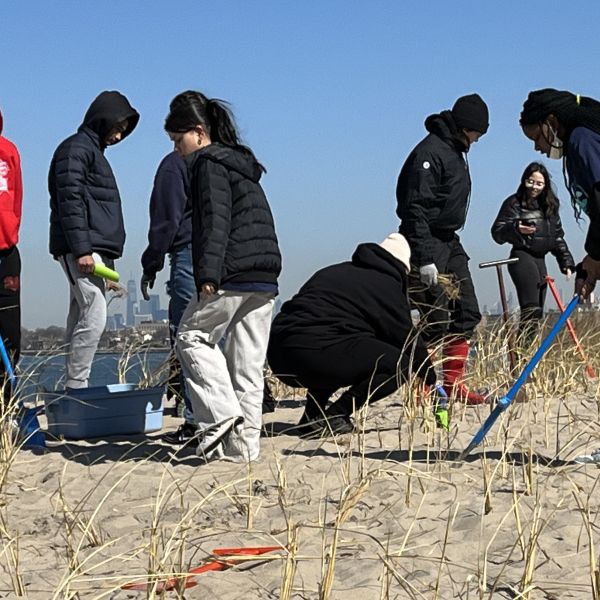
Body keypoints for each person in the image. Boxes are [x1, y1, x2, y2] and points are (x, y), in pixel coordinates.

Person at [165, 90, 281, 462]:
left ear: (198, 133)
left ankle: (222, 418)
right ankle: (244, 450)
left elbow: (215, 219)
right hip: (264, 275)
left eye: (177, 139)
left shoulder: (207, 163)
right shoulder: (242, 164)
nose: (176, 149)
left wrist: (208, 275)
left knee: (191, 337)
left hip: (232, 271)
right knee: (247, 369)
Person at [267, 233, 438, 437]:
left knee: (340, 349)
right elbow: (407, 338)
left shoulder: (336, 271)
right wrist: (428, 374)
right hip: (313, 355)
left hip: (279, 355)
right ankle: (337, 414)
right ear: (403, 268)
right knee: (396, 365)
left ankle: (313, 417)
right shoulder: (386, 285)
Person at [396, 93, 489, 404]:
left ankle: (453, 386)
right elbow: (414, 209)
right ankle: (423, 386)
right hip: (426, 241)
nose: (478, 139)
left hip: (450, 241)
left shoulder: (456, 150)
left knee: (468, 311)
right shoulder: (430, 153)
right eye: (478, 132)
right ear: (465, 127)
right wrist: (423, 258)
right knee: (436, 318)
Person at [48, 91, 139, 389]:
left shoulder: (91, 152)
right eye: (117, 127)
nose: (118, 135)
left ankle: (73, 387)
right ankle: (77, 385)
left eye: (123, 131)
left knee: (80, 313)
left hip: (89, 248)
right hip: (81, 248)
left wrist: (105, 266)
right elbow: (70, 200)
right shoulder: (76, 150)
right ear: (103, 119)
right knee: (94, 314)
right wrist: (82, 250)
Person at [520, 89, 600, 300]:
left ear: (552, 123)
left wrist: (594, 255)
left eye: (536, 137)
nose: (537, 147)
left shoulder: (582, 140)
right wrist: (590, 263)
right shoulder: (576, 146)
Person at [140, 151, 197, 444]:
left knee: (187, 338)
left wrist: (152, 261)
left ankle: (193, 420)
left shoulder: (175, 165)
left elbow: (167, 217)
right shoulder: (222, 161)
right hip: (225, 257)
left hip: (188, 251)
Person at [491, 162, 574, 344]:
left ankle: (527, 352)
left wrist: (566, 261)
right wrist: (516, 228)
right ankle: (520, 356)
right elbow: (497, 232)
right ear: (524, 181)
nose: (534, 187)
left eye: (538, 183)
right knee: (530, 307)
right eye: (530, 182)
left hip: (540, 259)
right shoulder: (514, 203)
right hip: (521, 256)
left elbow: (557, 237)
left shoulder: (550, 206)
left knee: (538, 313)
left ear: (545, 185)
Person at [0, 108, 23, 403]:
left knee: (9, 334)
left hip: (6, 253)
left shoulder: (8, 151)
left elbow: (17, 199)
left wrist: (11, 231)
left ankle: (8, 402)